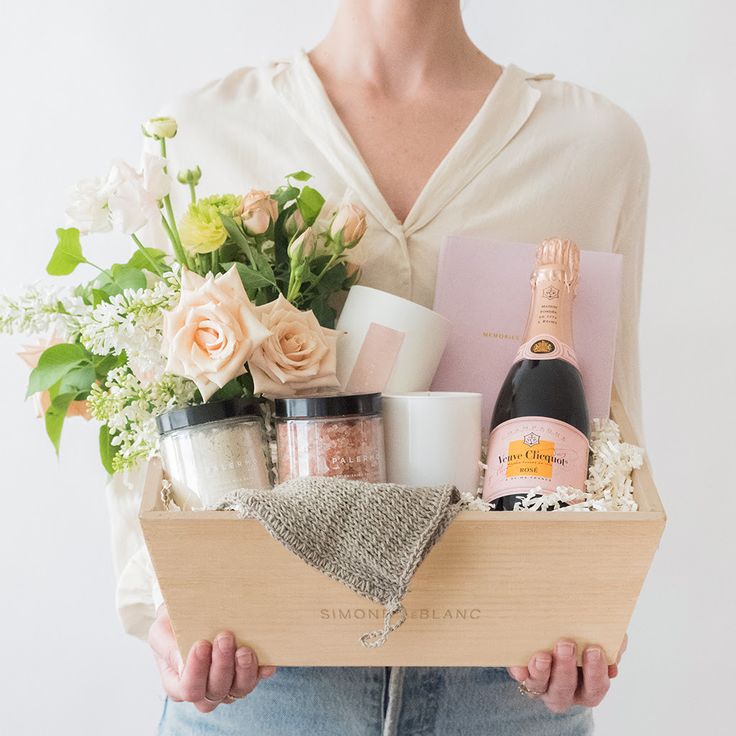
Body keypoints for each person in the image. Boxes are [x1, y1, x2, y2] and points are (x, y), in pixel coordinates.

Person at [107, 1, 648, 733]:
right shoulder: (207, 130)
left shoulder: (590, 145)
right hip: (264, 679)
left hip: (505, 689)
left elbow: (615, 418)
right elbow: (151, 412)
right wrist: (161, 614)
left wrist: (587, 618)